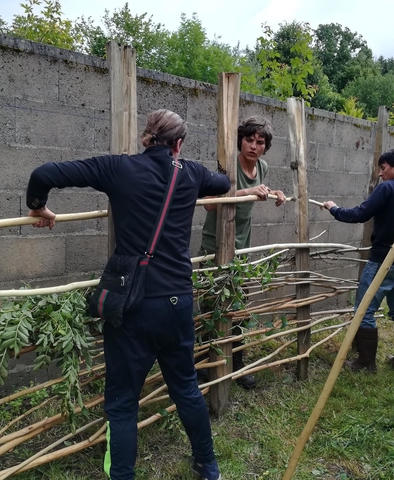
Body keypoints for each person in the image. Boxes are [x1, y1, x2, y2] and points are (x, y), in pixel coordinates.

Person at [25, 109, 229, 480]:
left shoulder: (118, 168)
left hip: (133, 304)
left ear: (145, 137)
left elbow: (44, 174)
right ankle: (208, 465)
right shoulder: (193, 174)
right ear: (179, 145)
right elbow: (224, 184)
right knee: (185, 388)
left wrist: (38, 206)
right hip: (178, 302)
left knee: (121, 404)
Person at [322, 149, 394, 372]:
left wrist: (334, 209)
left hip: (382, 260)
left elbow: (360, 214)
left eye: (383, 168)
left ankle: (365, 362)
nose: (380, 174)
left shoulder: (387, 188)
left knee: (364, 309)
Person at [199, 115, 286, 389]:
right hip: (215, 246)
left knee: (238, 308)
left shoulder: (262, 167)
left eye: (260, 142)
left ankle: (236, 364)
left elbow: (259, 191)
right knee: (209, 307)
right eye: (249, 139)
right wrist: (246, 191)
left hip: (241, 249)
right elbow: (209, 205)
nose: (254, 146)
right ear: (240, 141)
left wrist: (274, 193)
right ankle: (203, 365)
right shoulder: (227, 166)